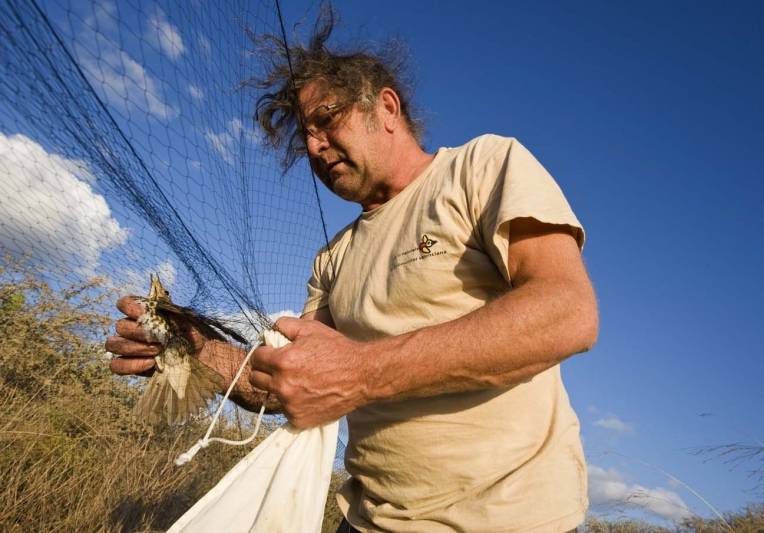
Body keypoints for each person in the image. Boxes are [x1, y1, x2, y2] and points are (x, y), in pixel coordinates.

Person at [106, 12, 598, 533]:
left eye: (328, 118)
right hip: (363, 521)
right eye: (305, 134)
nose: (314, 146)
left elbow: (567, 312)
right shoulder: (332, 258)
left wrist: (360, 374)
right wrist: (197, 349)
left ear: (385, 107)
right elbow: (289, 384)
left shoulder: (482, 167)